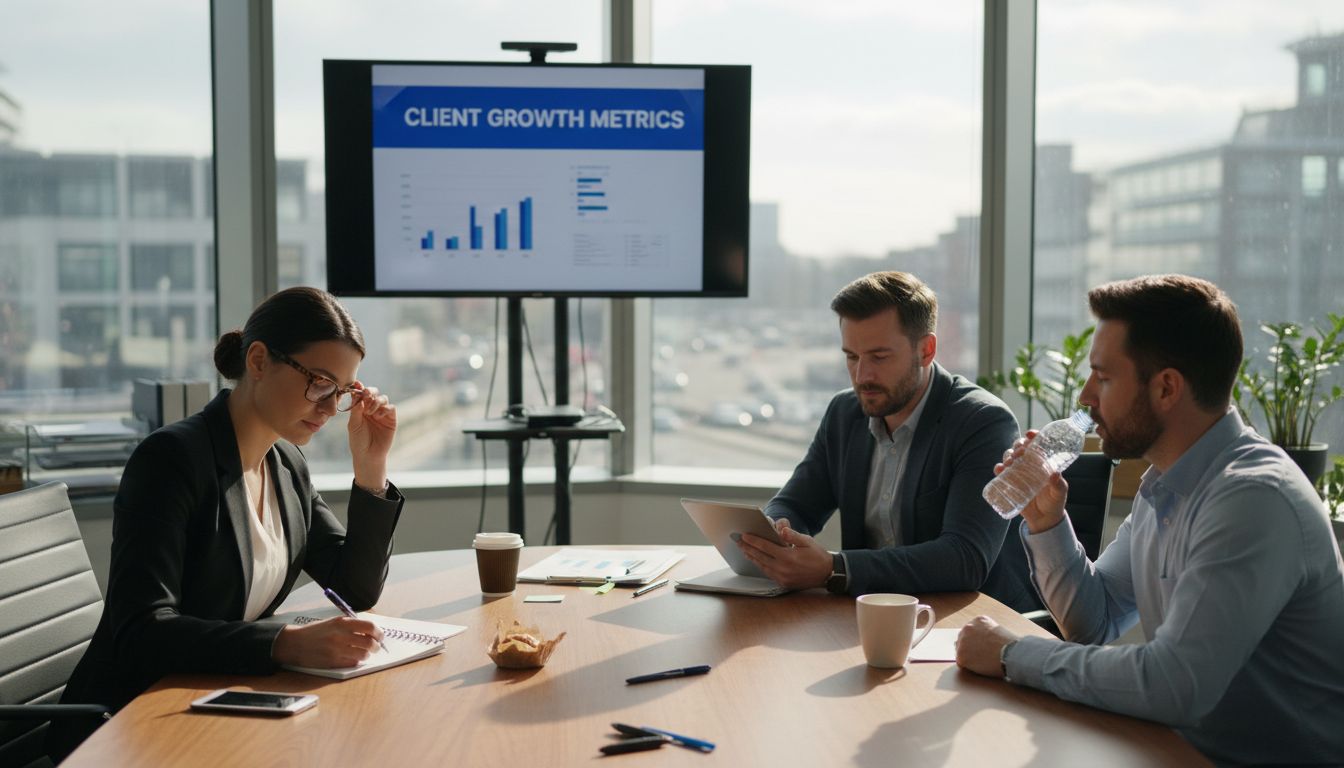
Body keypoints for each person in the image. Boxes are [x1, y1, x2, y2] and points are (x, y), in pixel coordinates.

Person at [955, 275, 1344, 765]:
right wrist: (1046, 520)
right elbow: (1093, 623)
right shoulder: (1166, 484)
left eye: (1104, 376)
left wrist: (1014, 654)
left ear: (1166, 388)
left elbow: (1175, 685)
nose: (1085, 396)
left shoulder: (1252, 498)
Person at [51, 287, 405, 760]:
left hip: (214, 705)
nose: (327, 407)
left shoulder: (286, 464)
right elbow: (142, 632)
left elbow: (354, 589)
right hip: (129, 725)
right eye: (320, 382)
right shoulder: (171, 460)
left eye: (342, 392)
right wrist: (285, 643)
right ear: (258, 361)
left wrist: (371, 469)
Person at [735, 271, 1040, 611]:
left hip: (967, 623)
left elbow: (966, 558)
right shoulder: (844, 414)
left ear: (925, 350)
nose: (862, 376)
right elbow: (796, 503)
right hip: (870, 615)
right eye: (852, 356)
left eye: (879, 357)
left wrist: (834, 569)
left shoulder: (982, 422)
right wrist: (779, 535)